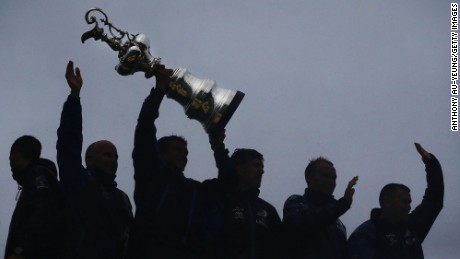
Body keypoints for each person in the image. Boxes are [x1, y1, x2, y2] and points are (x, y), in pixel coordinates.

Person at [57, 60, 133, 259]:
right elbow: (69, 143)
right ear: (89, 159)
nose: (113, 159)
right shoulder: (78, 181)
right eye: (106, 154)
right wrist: (74, 98)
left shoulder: (123, 199)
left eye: (116, 156)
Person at [347, 143, 444, 259]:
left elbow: (434, 201)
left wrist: (432, 165)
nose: (409, 207)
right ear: (386, 202)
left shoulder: (412, 227)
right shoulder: (365, 234)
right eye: (404, 201)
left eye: (409, 202)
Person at [210, 146, 283, 259]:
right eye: (255, 165)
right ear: (239, 169)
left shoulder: (268, 210)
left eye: (262, 166)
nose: (261, 171)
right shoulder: (221, 202)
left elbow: (280, 248)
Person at [282, 156, 358, 258]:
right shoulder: (296, 203)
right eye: (325, 176)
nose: (331, 181)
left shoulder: (339, 224)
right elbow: (307, 224)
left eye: (333, 178)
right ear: (309, 178)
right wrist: (343, 204)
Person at [5, 135, 65, 259]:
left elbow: (43, 213)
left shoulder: (37, 174)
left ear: (15, 154)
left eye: (11, 155)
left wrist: (20, 250)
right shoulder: (37, 177)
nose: (10, 159)